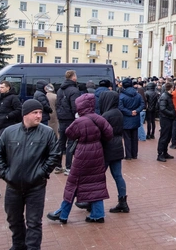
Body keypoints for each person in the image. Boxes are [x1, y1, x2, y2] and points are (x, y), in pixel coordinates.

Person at [0, 100, 59, 250]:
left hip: (35, 186)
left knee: (34, 222)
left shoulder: (47, 133)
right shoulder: (9, 132)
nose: (39, 116)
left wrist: (41, 173)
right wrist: (6, 174)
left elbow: (54, 155)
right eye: (35, 112)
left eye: (40, 112)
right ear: (25, 114)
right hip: (13, 185)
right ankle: (18, 244)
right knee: (13, 218)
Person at [47, 93, 113, 224]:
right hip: (97, 152)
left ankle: (63, 214)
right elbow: (109, 133)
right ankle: (98, 214)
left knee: (73, 182)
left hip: (83, 153)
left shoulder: (79, 121)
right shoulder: (99, 118)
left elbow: (69, 133)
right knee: (96, 183)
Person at [98, 90, 130, 212]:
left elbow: (101, 133)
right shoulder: (119, 113)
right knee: (118, 176)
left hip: (107, 148)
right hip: (117, 147)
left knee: (99, 176)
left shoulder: (106, 115)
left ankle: (93, 201)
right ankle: (122, 201)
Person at [55, 70, 82, 174]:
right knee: (71, 142)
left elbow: (57, 104)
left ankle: (58, 166)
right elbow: (75, 107)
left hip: (61, 118)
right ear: (73, 77)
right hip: (70, 119)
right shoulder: (74, 90)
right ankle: (68, 167)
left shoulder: (60, 90)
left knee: (61, 142)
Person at [119, 79, 144, 160]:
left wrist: (129, 112)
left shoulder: (121, 96)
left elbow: (120, 107)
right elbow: (142, 104)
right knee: (134, 137)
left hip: (126, 119)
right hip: (135, 118)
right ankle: (134, 154)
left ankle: (128, 155)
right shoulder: (137, 94)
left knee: (127, 138)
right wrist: (136, 111)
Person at [156, 83, 176, 162]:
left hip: (168, 118)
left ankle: (164, 152)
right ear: (171, 88)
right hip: (165, 119)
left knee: (168, 136)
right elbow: (162, 108)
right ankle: (160, 153)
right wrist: (172, 113)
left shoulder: (167, 96)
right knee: (164, 136)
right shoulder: (165, 96)